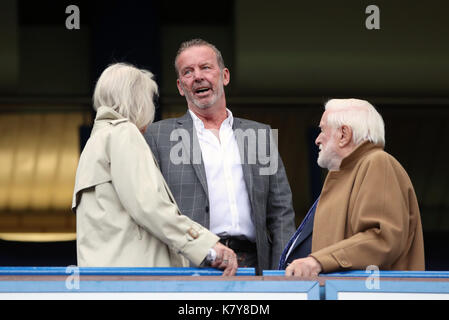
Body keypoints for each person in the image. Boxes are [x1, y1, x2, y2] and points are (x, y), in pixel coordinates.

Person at [145, 39, 296, 273]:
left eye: (205, 67)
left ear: (224, 76)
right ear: (179, 86)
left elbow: (280, 212)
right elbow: (152, 208)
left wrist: (279, 271)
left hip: (254, 265)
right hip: (189, 266)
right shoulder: (158, 135)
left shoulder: (259, 135)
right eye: (188, 72)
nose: (197, 76)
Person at [72, 63, 238, 276]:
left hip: (103, 280)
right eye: (149, 99)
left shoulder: (94, 143)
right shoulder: (123, 133)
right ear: (136, 99)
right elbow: (149, 205)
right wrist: (205, 245)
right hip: (137, 282)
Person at [279, 98, 425, 277]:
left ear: (344, 135)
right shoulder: (349, 173)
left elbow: (382, 239)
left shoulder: (377, 162)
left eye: (322, 130)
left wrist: (317, 261)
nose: (317, 139)